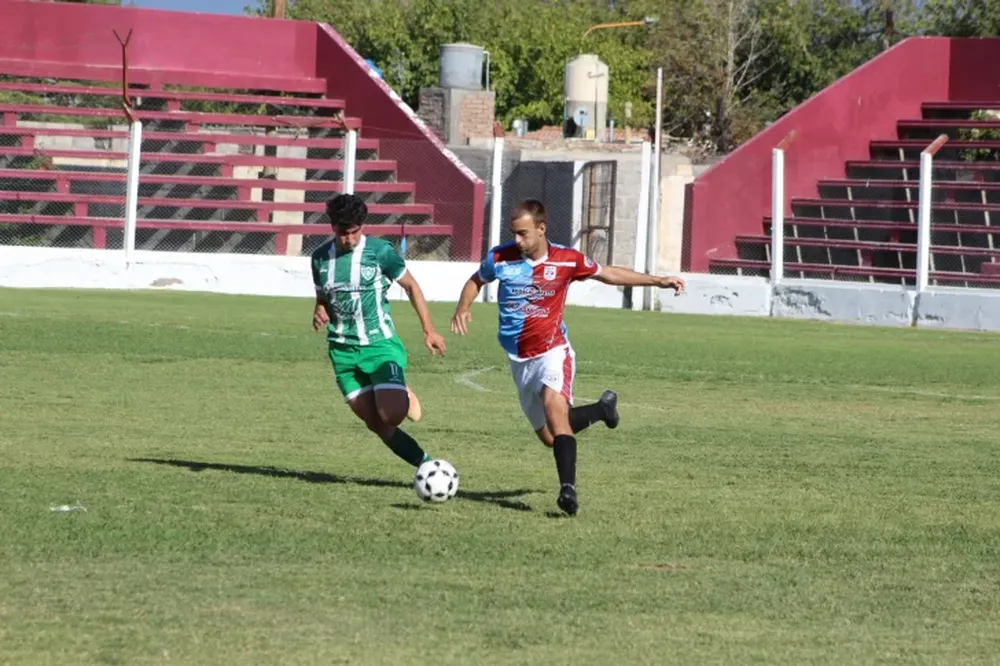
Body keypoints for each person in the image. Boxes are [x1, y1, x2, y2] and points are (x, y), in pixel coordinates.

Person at [449, 199, 685, 516]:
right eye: (513, 234)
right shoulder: (499, 258)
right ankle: (603, 409)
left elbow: (609, 273)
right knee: (551, 436)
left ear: (541, 229)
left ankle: (568, 491)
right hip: (518, 359)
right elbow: (476, 280)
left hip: (552, 351)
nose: (517, 241)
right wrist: (463, 307)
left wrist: (658, 280)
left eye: (523, 234)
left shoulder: (566, 260)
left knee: (553, 408)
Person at [312, 193, 446, 469]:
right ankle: (426, 465)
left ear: (362, 226)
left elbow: (412, 287)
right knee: (375, 423)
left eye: (355, 232)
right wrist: (320, 310)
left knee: (391, 415)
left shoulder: (380, 252)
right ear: (332, 227)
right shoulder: (320, 259)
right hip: (343, 351)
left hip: (380, 345)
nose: (349, 238)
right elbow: (322, 298)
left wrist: (429, 330)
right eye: (343, 232)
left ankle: (401, 393)